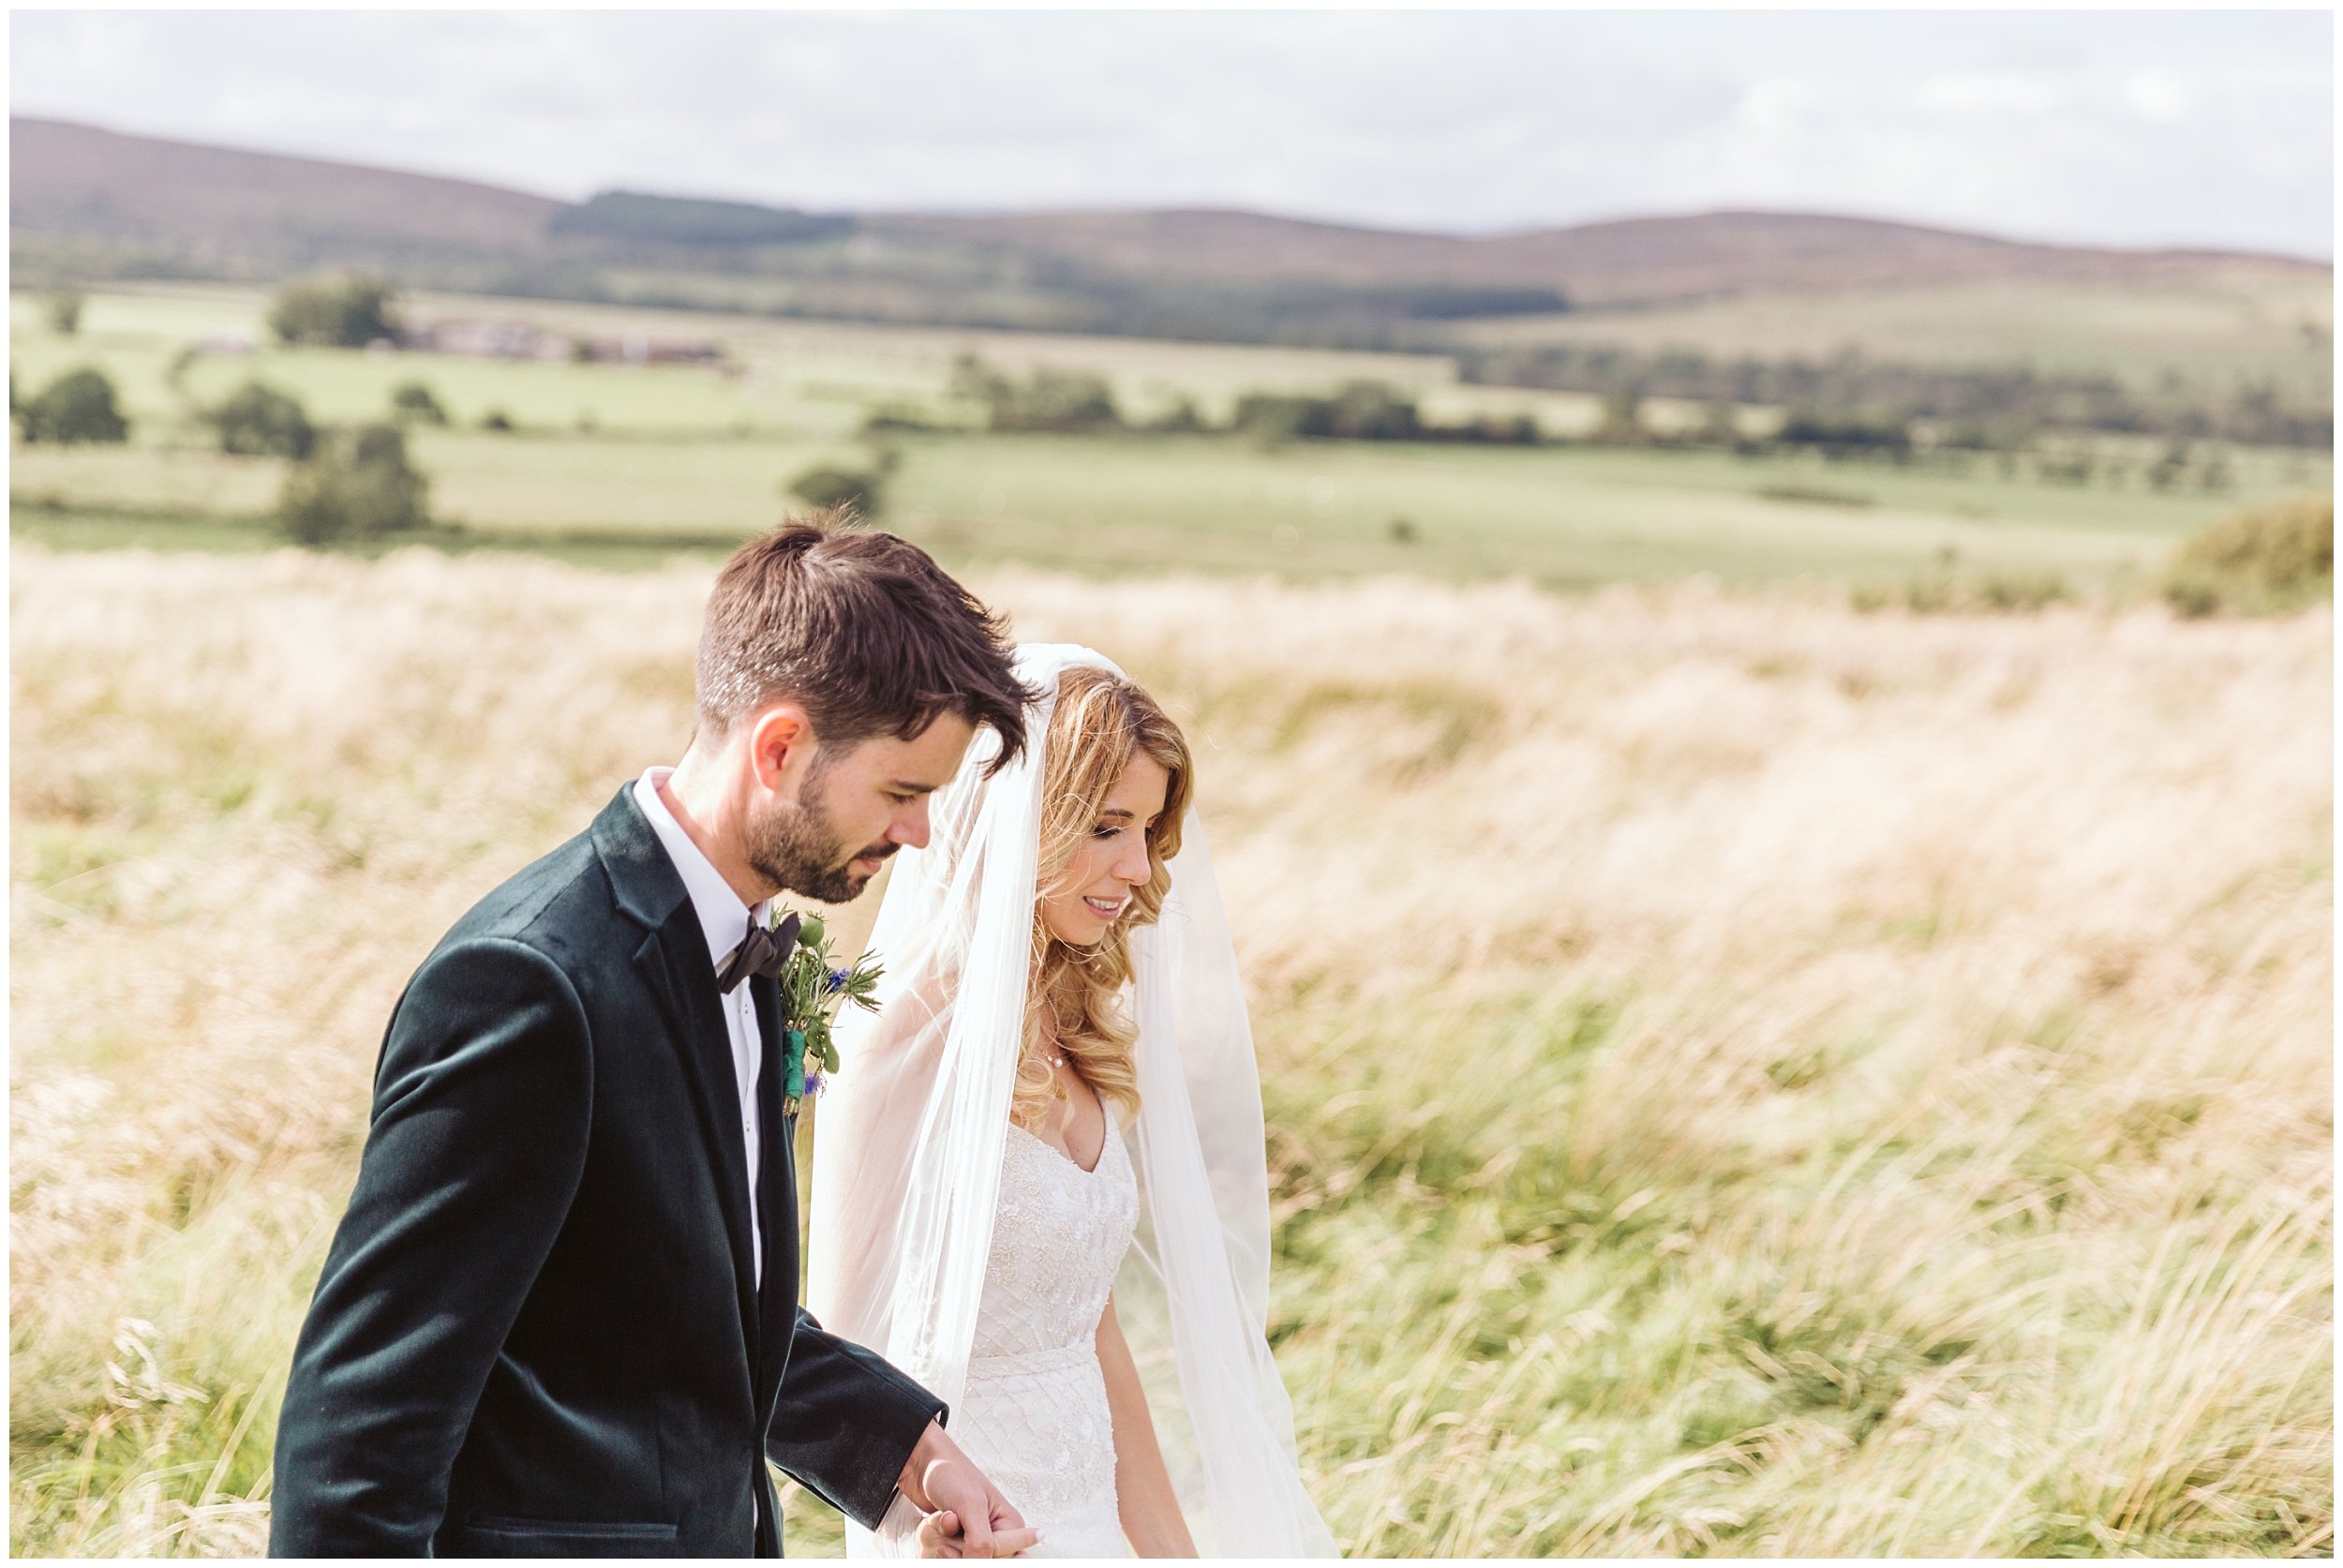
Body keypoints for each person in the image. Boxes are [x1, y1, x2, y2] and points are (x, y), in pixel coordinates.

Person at [271, 516, 1043, 1558]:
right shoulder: (526, 985)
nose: (916, 832)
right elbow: (368, 1411)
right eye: (903, 792)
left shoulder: (748, 948)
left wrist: (908, 1444)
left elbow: (691, 1306)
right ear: (778, 747)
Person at [808, 647, 1338, 1559]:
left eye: (1148, 830)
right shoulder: (903, 1039)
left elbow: (1087, 1321)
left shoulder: (1073, 1019)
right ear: (1025, 822)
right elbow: (844, 1338)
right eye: (1106, 825)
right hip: (970, 1532)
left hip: (1089, 1517)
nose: (1136, 865)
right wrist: (920, 1526)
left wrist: (1168, 1546)